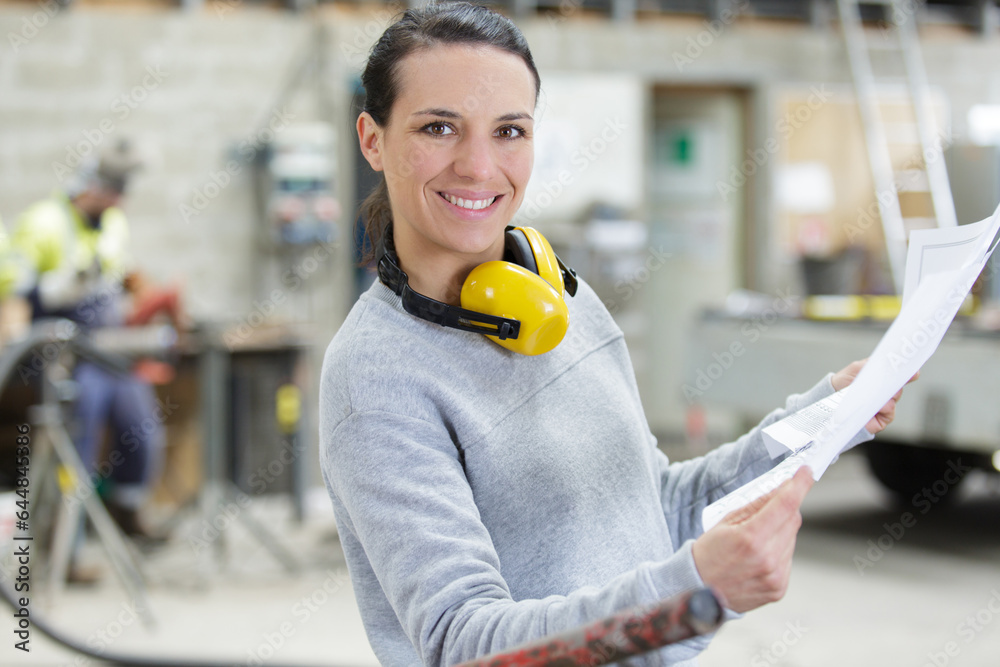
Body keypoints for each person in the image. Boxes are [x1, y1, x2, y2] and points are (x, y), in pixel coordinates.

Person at [319, 4, 908, 665]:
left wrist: (828, 414)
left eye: (509, 130)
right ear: (373, 139)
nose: (480, 166)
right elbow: (463, 642)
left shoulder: (565, 301)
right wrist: (689, 594)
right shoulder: (375, 376)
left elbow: (658, 504)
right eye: (438, 128)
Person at [10, 140, 169, 546]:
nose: (117, 200)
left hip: (108, 350)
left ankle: (127, 518)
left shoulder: (113, 222)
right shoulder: (43, 222)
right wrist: (55, 291)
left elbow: (126, 275)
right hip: (68, 354)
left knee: (142, 427)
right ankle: (68, 543)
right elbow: (13, 298)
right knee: (78, 434)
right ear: (89, 185)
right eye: (111, 190)